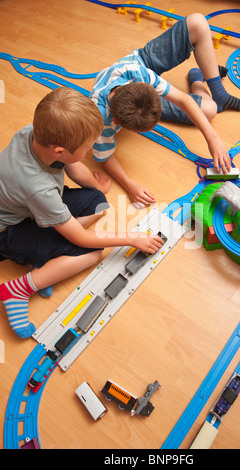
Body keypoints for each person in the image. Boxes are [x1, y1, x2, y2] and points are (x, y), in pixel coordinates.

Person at [0, 87, 164, 339]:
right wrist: (131, 238)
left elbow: (74, 167)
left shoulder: (32, 133)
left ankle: (47, 259)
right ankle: (18, 289)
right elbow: (81, 239)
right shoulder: (39, 189)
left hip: (27, 208)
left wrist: (97, 186)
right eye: (87, 147)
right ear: (59, 151)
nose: (89, 151)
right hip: (8, 231)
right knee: (91, 254)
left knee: (98, 201)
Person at [90, 13, 240, 207]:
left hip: (141, 62)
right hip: (120, 100)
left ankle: (218, 92)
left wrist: (213, 139)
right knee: (209, 110)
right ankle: (196, 77)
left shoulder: (137, 72)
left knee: (198, 23)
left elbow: (183, 100)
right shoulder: (99, 121)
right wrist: (130, 185)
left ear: (145, 86)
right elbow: (104, 156)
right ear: (116, 122)